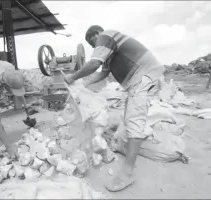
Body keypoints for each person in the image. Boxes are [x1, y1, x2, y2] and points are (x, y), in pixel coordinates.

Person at [63, 25, 165, 192]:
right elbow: (102, 73)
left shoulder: (106, 36)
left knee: (134, 121)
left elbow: (94, 63)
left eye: (92, 42)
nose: (94, 47)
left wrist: (73, 76)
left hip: (144, 77)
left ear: (97, 34)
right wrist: (81, 84)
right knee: (130, 119)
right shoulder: (109, 54)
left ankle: (128, 173)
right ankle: (130, 148)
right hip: (138, 80)